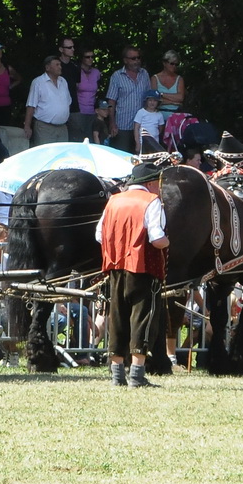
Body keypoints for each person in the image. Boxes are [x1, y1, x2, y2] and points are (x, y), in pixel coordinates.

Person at [98, 160, 170, 387]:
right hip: (144, 268)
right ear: (150, 183)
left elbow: (99, 235)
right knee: (143, 317)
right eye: (158, 182)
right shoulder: (151, 201)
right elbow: (156, 238)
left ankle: (117, 375)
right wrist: (168, 242)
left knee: (117, 317)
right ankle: (137, 375)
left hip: (115, 267)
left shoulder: (113, 201)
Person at [103, 46, 152, 152]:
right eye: (133, 58)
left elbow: (149, 98)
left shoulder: (144, 74)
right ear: (125, 60)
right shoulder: (117, 76)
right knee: (122, 155)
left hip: (142, 125)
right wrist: (112, 123)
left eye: (138, 58)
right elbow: (111, 101)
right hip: (122, 125)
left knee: (140, 156)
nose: (137, 61)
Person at [22, 56, 70, 146]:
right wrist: (27, 126)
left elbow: (68, 102)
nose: (60, 67)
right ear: (47, 67)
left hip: (62, 127)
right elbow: (31, 105)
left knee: (62, 153)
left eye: (60, 65)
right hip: (44, 127)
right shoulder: (38, 82)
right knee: (46, 152)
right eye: (57, 65)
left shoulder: (63, 81)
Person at [69, 48, 102, 142]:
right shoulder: (76, 71)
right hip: (78, 111)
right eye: (87, 57)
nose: (90, 59)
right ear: (82, 58)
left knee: (91, 139)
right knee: (78, 140)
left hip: (92, 111)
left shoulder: (96, 72)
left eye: (92, 57)